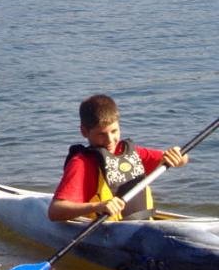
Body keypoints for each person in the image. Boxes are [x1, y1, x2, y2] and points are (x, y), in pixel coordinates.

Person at [48, 94, 188, 222]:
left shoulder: (132, 154)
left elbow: (182, 159)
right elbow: (54, 211)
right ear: (84, 132)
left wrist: (178, 155)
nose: (110, 140)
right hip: (109, 231)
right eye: (101, 134)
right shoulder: (82, 164)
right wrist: (98, 206)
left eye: (114, 131)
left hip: (143, 224)